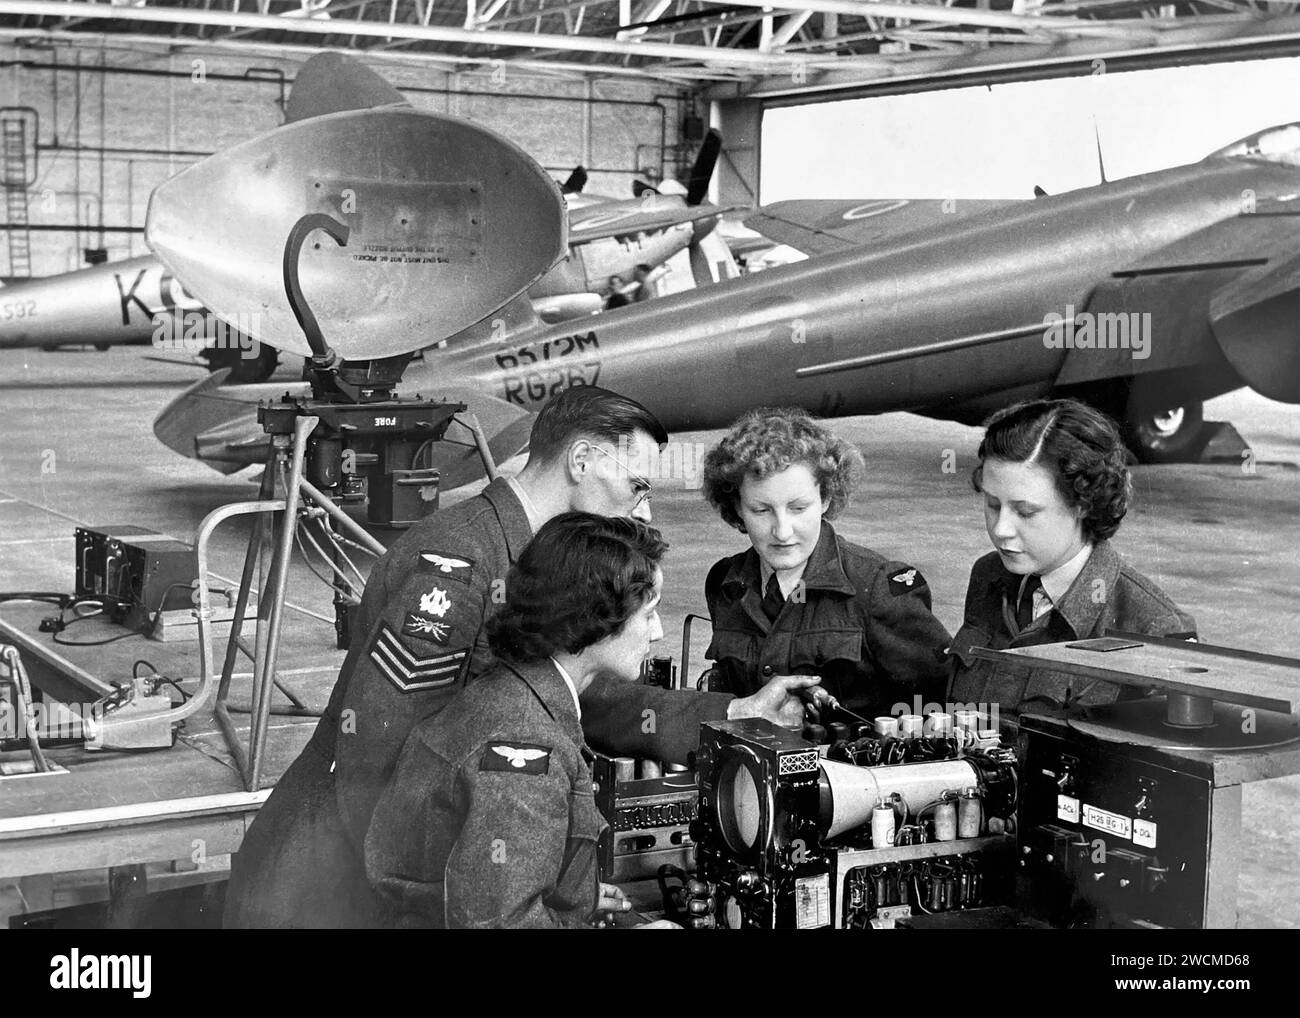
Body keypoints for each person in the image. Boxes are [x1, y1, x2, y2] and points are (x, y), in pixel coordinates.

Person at [225, 385, 813, 928]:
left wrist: (734, 713)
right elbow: (377, 753)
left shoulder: (540, 559)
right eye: (637, 486)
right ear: (581, 461)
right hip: (332, 883)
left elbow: (571, 694)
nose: (644, 511)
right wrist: (440, 900)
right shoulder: (457, 561)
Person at [365, 512, 677, 928]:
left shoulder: (508, 692)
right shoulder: (527, 746)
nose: (657, 632)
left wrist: (573, 892)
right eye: (648, 613)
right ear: (597, 620)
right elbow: (499, 923)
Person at [948, 398, 1197, 736]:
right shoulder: (990, 575)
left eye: (1025, 512)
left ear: (1082, 503)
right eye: (992, 505)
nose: (1000, 528)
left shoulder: (1155, 626)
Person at [699, 408, 952, 723]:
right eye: (761, 510)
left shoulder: (877, 587)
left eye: (798, 507)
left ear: (827, 499)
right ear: (737, 507)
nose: (782, 531)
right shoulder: (725, 583)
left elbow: (938, 704)